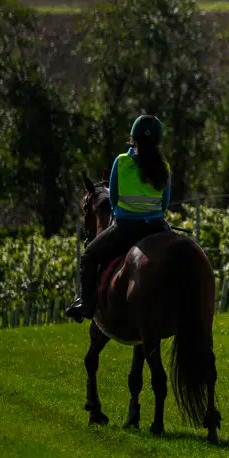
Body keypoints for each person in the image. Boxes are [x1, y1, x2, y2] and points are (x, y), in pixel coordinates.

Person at [65, 115, 173, 321]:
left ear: (133, 138)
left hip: (125, 228)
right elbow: (165, 204)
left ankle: (86, 303)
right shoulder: (165, 167)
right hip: (157, 227)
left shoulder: (122, 161)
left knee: (88, 256)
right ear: (158, 140)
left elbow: (113, 198)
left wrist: (127, 212)